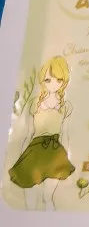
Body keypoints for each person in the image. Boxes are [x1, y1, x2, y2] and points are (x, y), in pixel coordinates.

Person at [9, 56, 75, 210]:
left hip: (55, 151)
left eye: (59, 80)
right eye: (48, 80)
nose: (53, 84)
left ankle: (49, 219)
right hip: (35, 150)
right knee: (30, 191)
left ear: (64, 81)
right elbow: (29, 133)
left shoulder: (65, 106)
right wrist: (22, 156)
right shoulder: (35, 103)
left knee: (48, 197)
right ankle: (29, 219)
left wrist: (66, 156)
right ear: (42, 80)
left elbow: (65, 133)